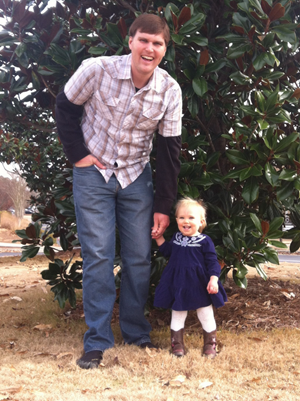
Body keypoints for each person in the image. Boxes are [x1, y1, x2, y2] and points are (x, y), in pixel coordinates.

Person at [55, 14, 182, 369]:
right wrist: (78, 155)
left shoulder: (170, 90)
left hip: (135, 177)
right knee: (97, 256)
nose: (150, 48)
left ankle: (136, 334)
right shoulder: (96, 69)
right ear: (130, 41)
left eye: (158, 43)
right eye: (144, 40)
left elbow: (169, 150)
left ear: (164, 50)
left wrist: (163, 204)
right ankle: (96, 340)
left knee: (140, 257)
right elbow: (64, 107)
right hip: (93, 175)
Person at [153, 197, 227, 358]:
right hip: (178, 283)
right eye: (181, 217)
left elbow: (213, 262)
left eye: (191, 217)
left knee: (205, 313)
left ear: (201, 222)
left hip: (198, 284)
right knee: (178, 312)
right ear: (177, 220)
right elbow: (167, 251)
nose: (186, 221)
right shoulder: (177, 238)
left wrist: (213, 279)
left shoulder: (204, 241)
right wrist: (159, 238)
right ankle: (177, 345)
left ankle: (210, 344)